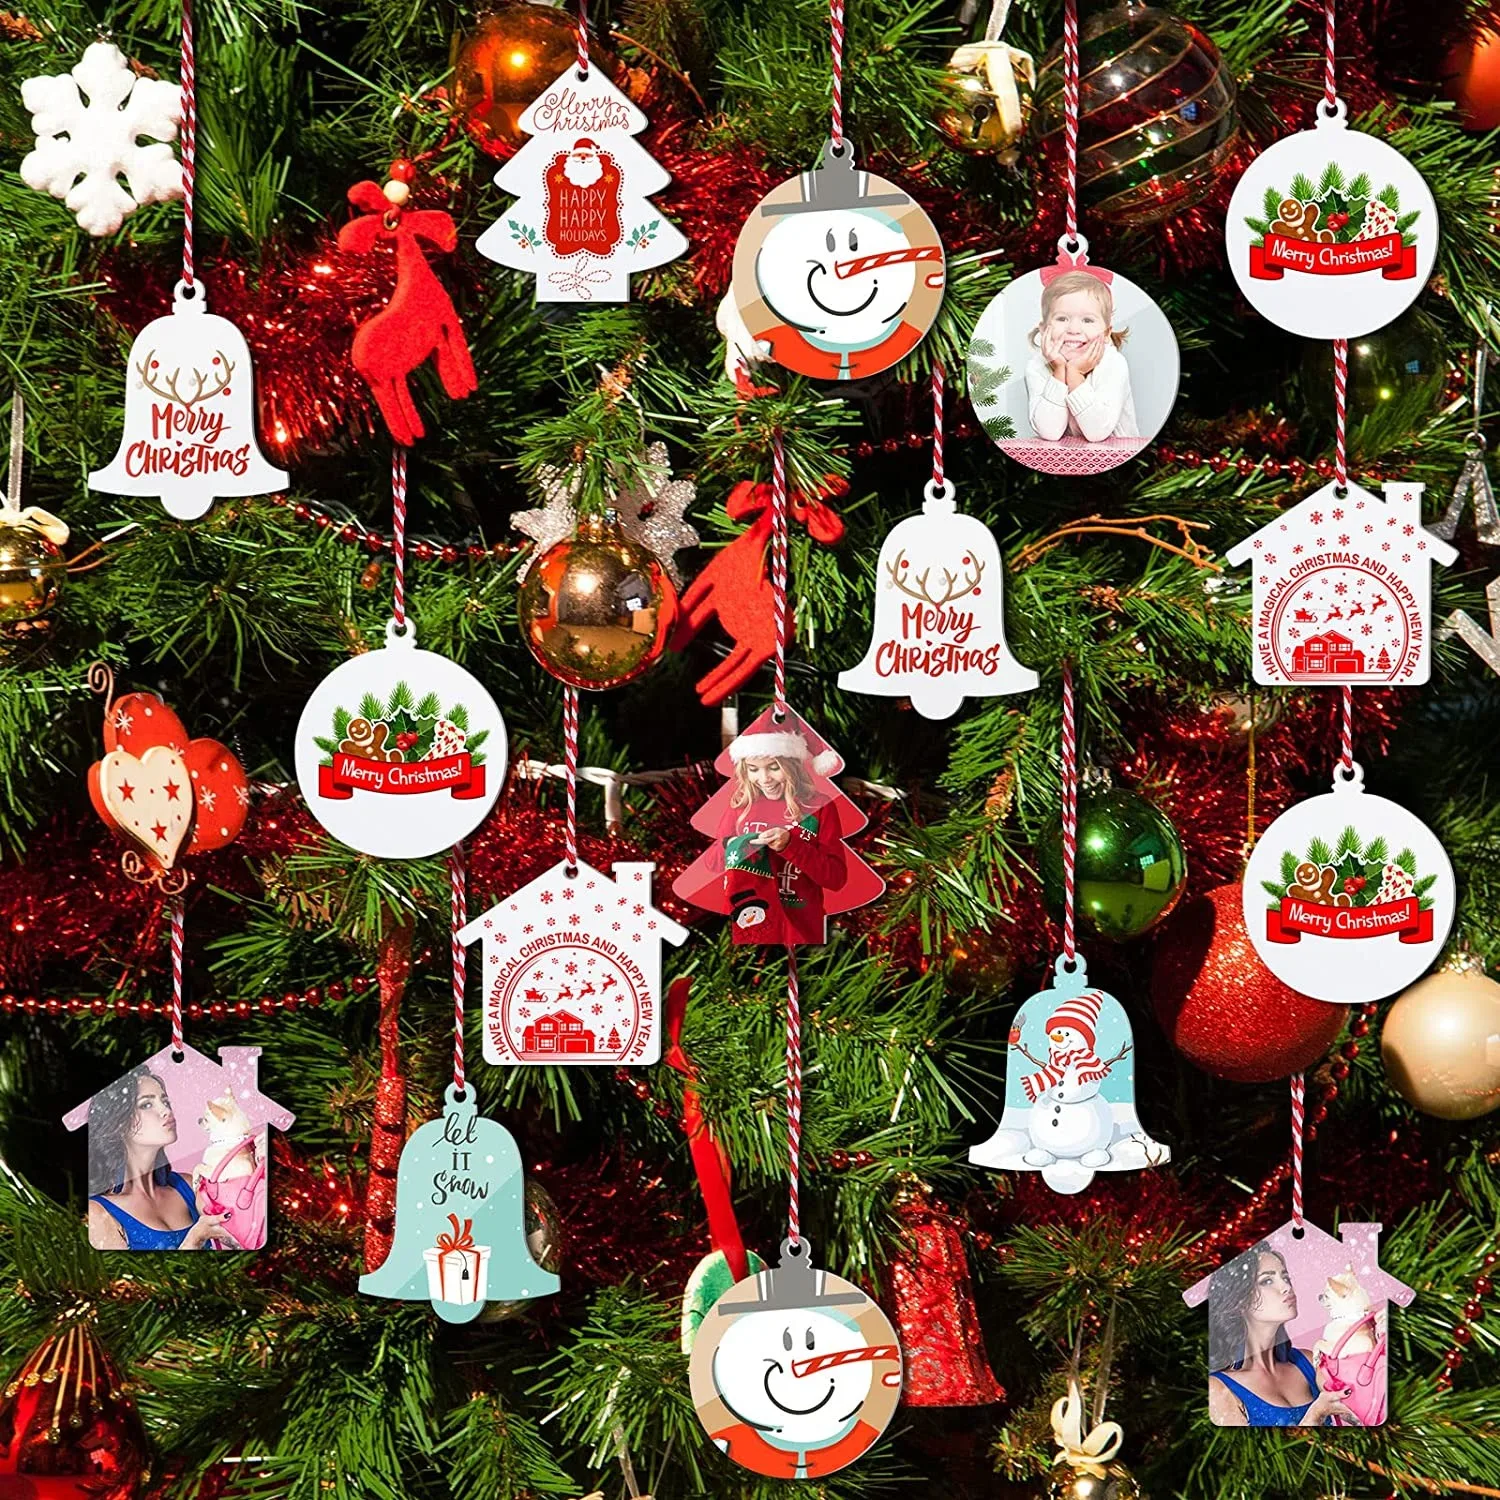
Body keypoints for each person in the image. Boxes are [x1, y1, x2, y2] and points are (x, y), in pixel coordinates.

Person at [718, 727, 846, 946]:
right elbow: (714, 863)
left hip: (804, 932)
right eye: (753, 769)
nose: (764, 779)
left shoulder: (819, 806)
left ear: (792, 765)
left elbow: (835, 878)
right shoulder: (740, 806)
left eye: (774, 767)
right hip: (752, 928)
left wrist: (790, 845)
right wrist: (736, 845)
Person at [1207, 1243, 1355, 1426]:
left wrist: (1368, 1333)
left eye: (1285, 1277)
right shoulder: (1218, 1389)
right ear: (1239, 1300)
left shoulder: (1309, 1361)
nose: (1286, 1286)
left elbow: (1361, 1412)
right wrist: (1316, 1415)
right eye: (1267, 1281)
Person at [86, 1067, 233, 1251]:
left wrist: (249, 1157)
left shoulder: (189, 1185)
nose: (166, 1110)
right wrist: (194, 1241)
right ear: (119, 1124)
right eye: (146, 1105)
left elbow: (239, 1236)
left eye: (165, 1101)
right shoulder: (98, 1213)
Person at [1024, 270, 1138, 443]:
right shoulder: (1036, 366)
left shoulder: (1114, 364)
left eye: (1087, 320)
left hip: (1120, 455)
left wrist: (1075, 375)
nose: (1074, 330)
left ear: (1106, 333)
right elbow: (1049, 432)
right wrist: (1060, 372)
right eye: (1062, 319)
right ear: (1044, 328)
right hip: (1064, 457)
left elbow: (1097, 432)